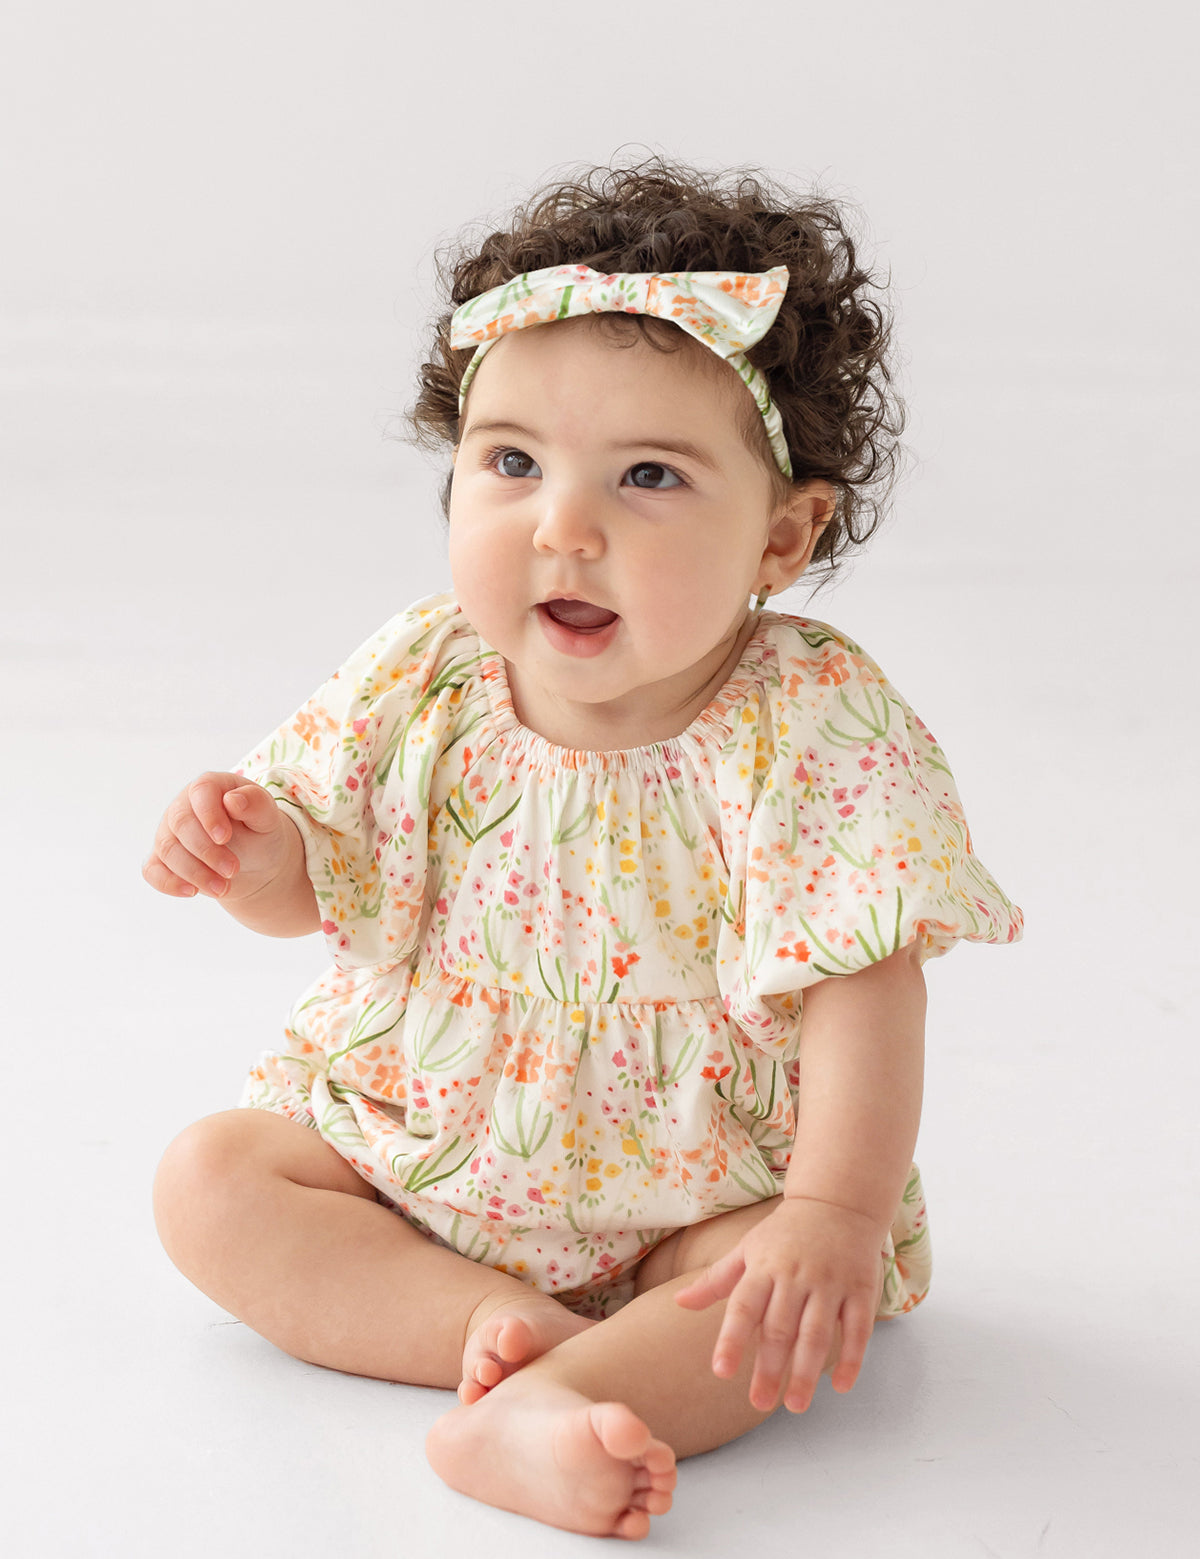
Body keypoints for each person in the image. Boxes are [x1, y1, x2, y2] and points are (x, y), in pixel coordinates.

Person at [147, 158, 1021, 1540]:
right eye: (511, 463)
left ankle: (544, 1414)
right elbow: (323, 886)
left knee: (754, 1298)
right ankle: (494, 1330)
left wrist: (833, 1216)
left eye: (651, 476)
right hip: (425, 1155)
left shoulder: (809, 721)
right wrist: (253, 856)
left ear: (783, 536)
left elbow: (867, 978)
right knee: (211, 1184)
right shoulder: (421, 672)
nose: (564, 525)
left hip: (703, 1185)